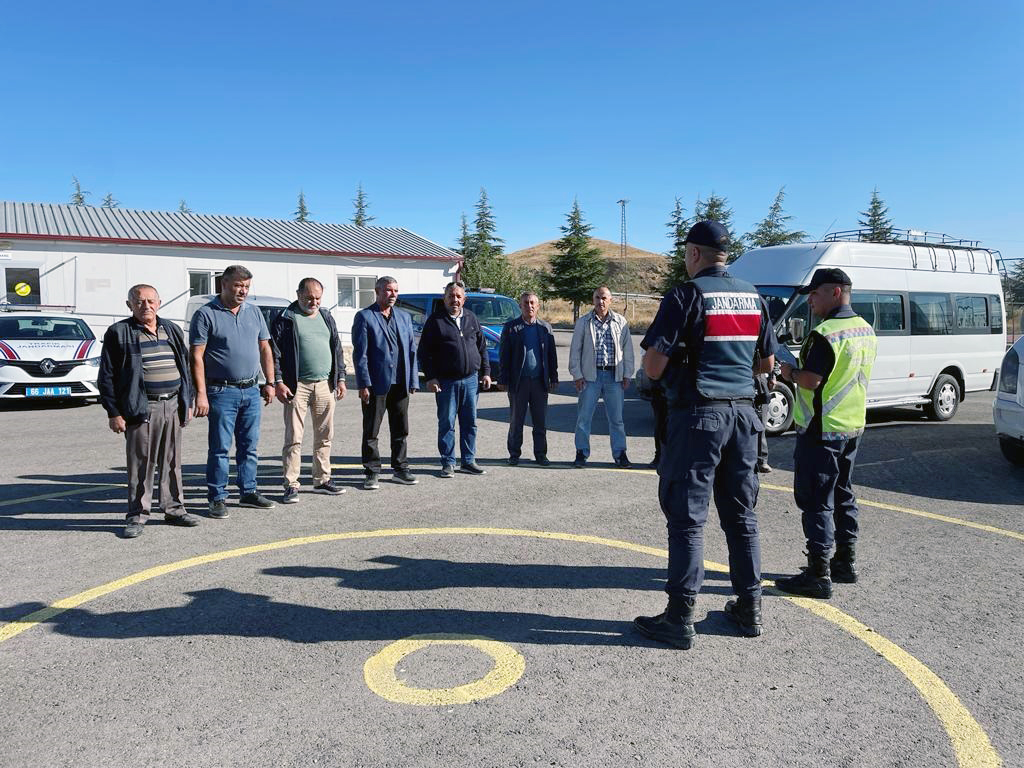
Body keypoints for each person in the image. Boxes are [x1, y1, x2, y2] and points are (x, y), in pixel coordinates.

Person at [633, 221, 776, 649]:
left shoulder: (685, 295)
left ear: (694, 253)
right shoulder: (753, 295)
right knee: (741, 517)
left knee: (688, 519)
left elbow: (653, 368)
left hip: (698, 418)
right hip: (744, 419)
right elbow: (766, 364)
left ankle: (679, 618)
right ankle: (750, 609)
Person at [775, 267, 877, 599]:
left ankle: (818, 573)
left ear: (835, 292)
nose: (811, 301)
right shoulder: (864, 329)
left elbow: (811, 380)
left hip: (822, 428)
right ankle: (845, 562)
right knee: (843, 491)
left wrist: (788, 370)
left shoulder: (825, 334)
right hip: (851, 427)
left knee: (817, 499)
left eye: (815, 294)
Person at [98, 284, 199, 538]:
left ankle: (174, 509)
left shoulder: (172, 329)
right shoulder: (118, 332)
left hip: (173, 404)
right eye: (140, 302)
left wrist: (187, 401)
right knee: (141, 464)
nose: (146, 306)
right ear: (129, 304)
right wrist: (113, 412)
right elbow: (107, 376)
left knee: (172, 461)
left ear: (159, 302)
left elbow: (184, 368)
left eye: (151, 301)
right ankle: (137, 515)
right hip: (142, 406)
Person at [190, 265, 277, 517]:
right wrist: (201, 393)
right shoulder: (206, 314)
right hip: (220, 391)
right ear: (224, 284)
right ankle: (217, 497)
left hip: (251, 390)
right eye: (238, 285)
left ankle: (248, 491)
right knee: (220, 448)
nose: (243, 291)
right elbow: (196, 356)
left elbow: (264, 349)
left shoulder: (254, 312)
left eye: (247, 286)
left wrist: (269, 382)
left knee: (249, 446)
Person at [270, 277, 348, 503]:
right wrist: (278, 381)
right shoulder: (286, 319)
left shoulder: (326, 317)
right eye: (309, 297)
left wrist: (340, 378)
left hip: (324, 384)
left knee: (325, 436)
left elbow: (337, 349)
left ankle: (322, 480)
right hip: (297, 386)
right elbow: (274, 354)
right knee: (294, 437)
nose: (313, 302)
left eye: (317, 298)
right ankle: (291, 484)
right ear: (298, 294)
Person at [418, 281, 492, 477]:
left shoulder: (471, 318)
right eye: (451, 296)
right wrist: (431, 377)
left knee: (470, 422)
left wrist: (486, 372)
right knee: (447, 423)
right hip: (446, 382)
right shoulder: (435, 321)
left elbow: (482, 347)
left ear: (464, 299)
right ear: (445, 298)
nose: (455, 300)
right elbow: (425, 353)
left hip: (471, 380)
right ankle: (448, 462)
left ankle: (468, 461)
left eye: (459, 296)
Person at [351, 275, 418, 490]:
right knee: (371, 430)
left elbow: (411, 351)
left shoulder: (404, 317)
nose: (393, 295)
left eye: (396, 291)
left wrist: (413, 379)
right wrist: (363, 384)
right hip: (376, 384)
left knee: (401, 428)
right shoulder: (365, 317)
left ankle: (400, 468)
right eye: (388, 290)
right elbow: (360, 354)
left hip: (401, 383)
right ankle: (372, 471)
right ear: (377, 291)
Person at [568, 286, 635, 467]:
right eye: (597, 298)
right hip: (590, 377)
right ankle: (581, 453)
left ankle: (620, 453)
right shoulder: (584, 322)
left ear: (610, 300)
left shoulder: (621, 322)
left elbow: (628, 351)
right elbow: (575, 350)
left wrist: (628, 374)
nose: (601, 301)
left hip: (614, 377)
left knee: (617, 419)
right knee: (584, 418)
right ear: (593, 300)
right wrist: (577, 374)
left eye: (604, 298)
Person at [498, 291, 559, 466]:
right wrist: (503, 378)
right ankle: (514, 454)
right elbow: (504, 356)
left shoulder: (545, 328)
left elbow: (551, 355)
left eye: (533, 303)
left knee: (540, 422)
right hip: (519, 382)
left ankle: (541, 454)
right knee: (516, 421)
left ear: (538, 306)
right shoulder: (511, 327)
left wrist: (553, 376)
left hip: (540, 382)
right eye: (526, 303)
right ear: (520, 306)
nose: (529, 306)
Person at [754, 368, 774, 473]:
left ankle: (761, 460)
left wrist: (772, 377)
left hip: (758, 383)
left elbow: (770, 356)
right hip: (740, 381)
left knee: (760, 425)